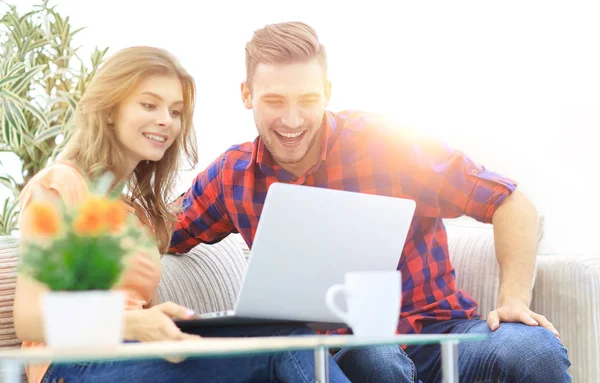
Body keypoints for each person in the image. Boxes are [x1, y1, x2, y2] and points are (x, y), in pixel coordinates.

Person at [169, 22, 572, 382]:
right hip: (341, 358)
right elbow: (161, 230)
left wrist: (513, 300)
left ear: (327, 93)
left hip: (441, 336)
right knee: (373, 356)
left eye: (307, 100)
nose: (292, 120)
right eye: (275, 101)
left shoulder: (388, 144)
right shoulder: (233, 175)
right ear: (247, 94)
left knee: (532, 350)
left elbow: (510, 202)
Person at [14, 46, 351, 383]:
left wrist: (176, 327)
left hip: (134, 354)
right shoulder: (61, 186)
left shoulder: (139, 216)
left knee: (292, 334)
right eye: (149, 105)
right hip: (73, 363)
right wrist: (133, 323)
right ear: (110, 109)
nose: (166, 120)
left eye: (175, 111)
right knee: (282, 346)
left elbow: (147, 312)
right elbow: (29, 317)